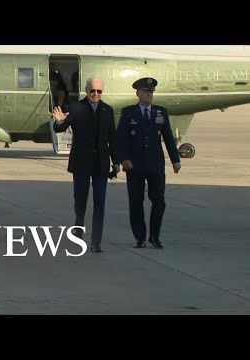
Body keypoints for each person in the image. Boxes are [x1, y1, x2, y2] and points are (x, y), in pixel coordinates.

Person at [52, 77, 119, 253]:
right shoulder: (76, 107)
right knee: (80, 202)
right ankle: (78, 229)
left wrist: (116, 162)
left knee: (100, 203)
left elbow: (112, 137)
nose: (95, 94)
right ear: (86, 90)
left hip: (101, 164)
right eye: (92, 91)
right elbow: (59, 128)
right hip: (81, 162)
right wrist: (58, 121)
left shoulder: (107, 110)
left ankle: (96, 241)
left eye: (99, 91)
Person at [116, 77, 181, 249]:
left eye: (151, 92)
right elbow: (120, 139)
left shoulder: (160, 112)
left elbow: (167, 137)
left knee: (159, 200)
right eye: (145, 92)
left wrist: (175, 160)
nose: (149, 95)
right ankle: (140, 237)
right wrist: (124, 159)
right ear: (138, 93)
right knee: (136, 202)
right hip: (134, 165)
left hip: (155, 164)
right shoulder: (129, 112)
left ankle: (154, 235)